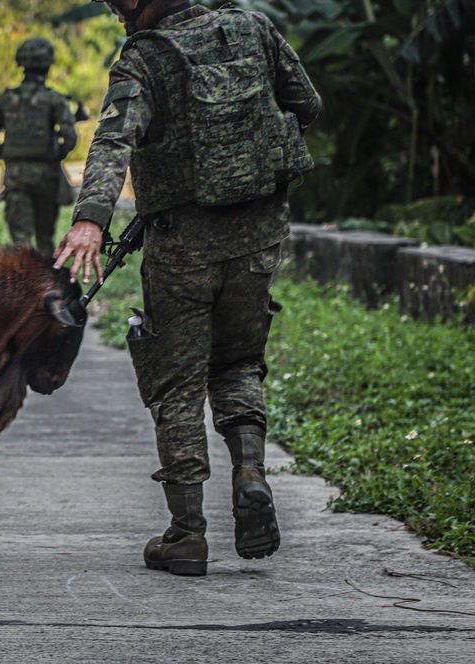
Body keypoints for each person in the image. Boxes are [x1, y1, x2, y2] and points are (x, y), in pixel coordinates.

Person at [54, 0, 321, 576]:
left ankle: (187, 533)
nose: (119, 14)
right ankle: (249, 471)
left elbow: (113, 141)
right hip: (258, 234)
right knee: (239, 361)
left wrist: (90, 220)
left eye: (122, 5)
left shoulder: (144, 58)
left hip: (182, 244)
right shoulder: (254, 27)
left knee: (176, 378)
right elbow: (307, 103)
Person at [0, 37, 78, 255]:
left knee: (20, 241)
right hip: (47, 175)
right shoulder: (54, 99)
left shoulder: (6, 99)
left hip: (15, 174)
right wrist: (55, 154)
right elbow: (70, 137)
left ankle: (23, 285)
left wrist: (6, 154)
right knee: (45, 238)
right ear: (48, 65)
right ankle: (46, 285)